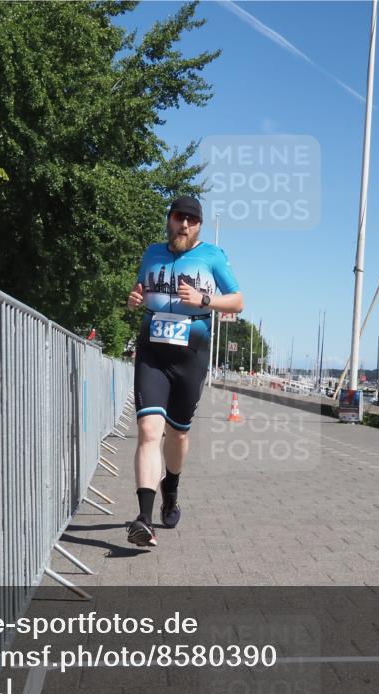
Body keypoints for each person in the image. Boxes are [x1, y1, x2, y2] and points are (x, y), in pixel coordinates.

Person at [125, 196, 244, 546]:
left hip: (190, 357)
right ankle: (144, 519)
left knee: (177, 435)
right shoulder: (152, 253)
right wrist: (134, 298)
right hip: (152, 353)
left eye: (192, 220)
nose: (185, 225)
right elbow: (140, 291)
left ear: (199, 226)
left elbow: (237, 300)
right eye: (179, 218)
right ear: (169, 220)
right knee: (148, 431)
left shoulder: (212, 256)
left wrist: (204, 300)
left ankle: (171, 488)